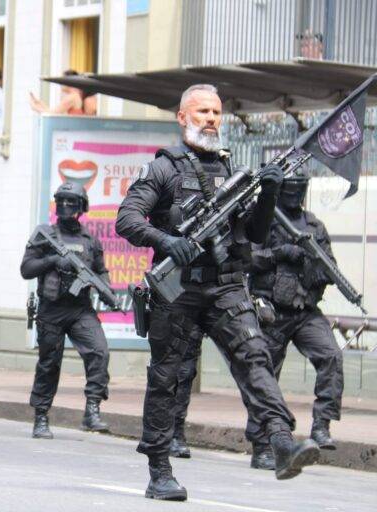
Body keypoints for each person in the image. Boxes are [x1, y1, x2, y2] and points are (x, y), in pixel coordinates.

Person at [115, 84, 319, 501]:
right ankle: (159, 469)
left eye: (216, 112)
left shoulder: (231, 172)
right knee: (167, 377)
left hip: (226, 284)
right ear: (182, 117)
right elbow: (127, 220)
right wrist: (167, 240)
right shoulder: (164, 169)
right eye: (202, 111)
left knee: (255, 356)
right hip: (179, 289)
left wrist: (270, 193)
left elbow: (257, 235)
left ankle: (281, 441)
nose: (210, 118)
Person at [244, 168, 343, 469]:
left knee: (331, 356)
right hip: (271, 309)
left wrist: (313, 262)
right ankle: (263, 444)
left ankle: (321, 425)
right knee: (265, 377)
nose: (295, 194)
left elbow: (330, 268)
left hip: (305, 310)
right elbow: (247, 258)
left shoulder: (314, 225)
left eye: (300, 188)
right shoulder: (264, 219)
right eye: (291, 188)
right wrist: (279, 253)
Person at [20, 181, 111, 440]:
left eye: (72, 202)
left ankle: (92, 409)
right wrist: (52, 260)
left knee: (99, 352)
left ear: (82, 207)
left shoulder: (90, 240)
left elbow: (100, 268)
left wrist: (106, 288)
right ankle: (41, 416)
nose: (66, 207)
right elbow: (26, 269)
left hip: (81, 309)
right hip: (51, 310)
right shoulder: (44, 234)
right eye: (62, 201)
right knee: (49, 364)